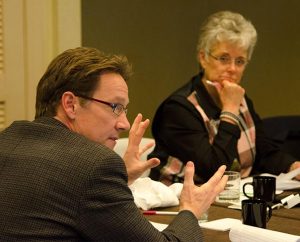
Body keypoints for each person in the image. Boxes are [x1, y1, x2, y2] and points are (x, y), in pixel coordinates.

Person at [0, 47, 227, 241]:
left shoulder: (7, 139)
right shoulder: (93, 166)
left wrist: (122, 179)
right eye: (115, 107)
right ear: (70, 104)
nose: (124, 124)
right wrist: (190, 210)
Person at [148, 11, 300, 184]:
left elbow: (264, 151)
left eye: (240, 61)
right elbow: (215, 170)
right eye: (223, 58)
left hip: (230, 196)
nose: (232, 69)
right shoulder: (178, 109)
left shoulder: (239, 98)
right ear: (203, 58)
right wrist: (230, 111)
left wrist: (292, 167)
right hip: (178, 201)